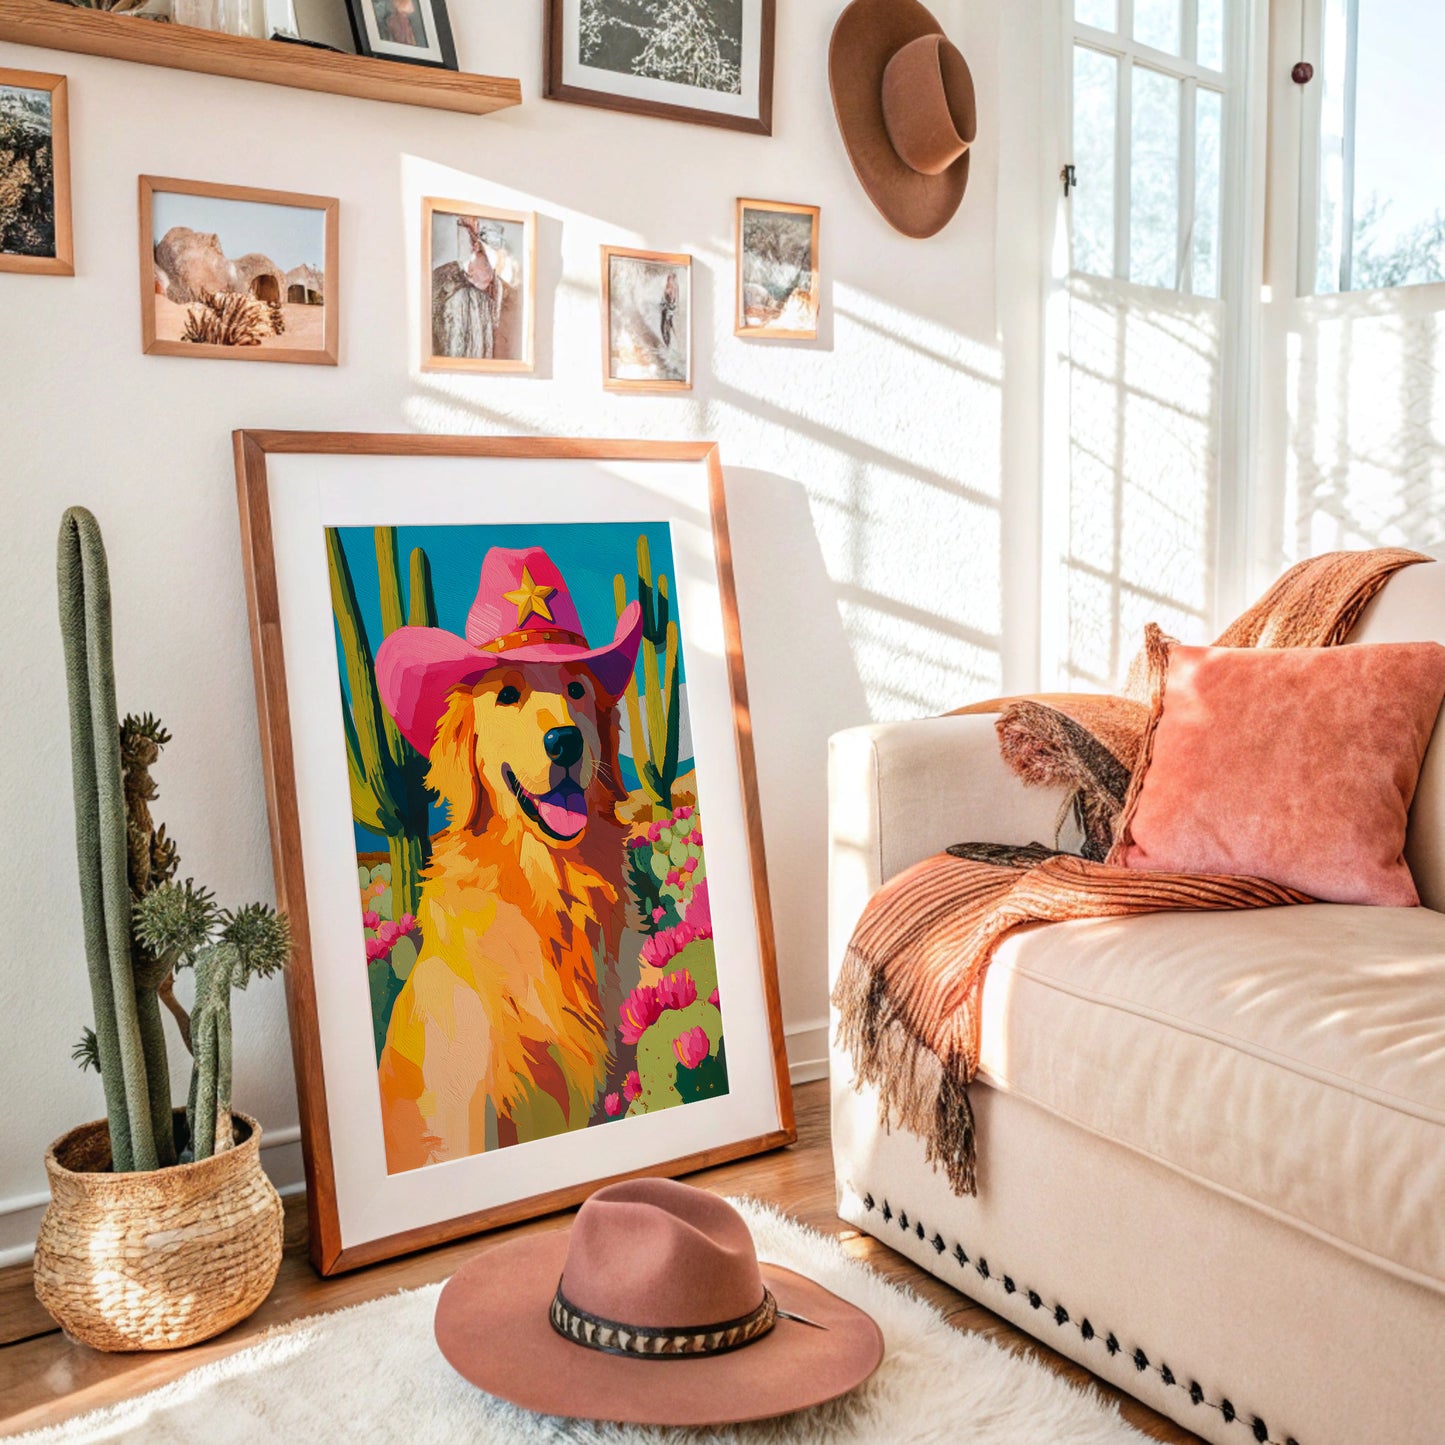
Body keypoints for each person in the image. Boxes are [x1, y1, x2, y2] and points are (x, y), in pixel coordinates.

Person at [660, 272, 678, 349]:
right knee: (662, 325)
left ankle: (668, 344)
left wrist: (669, 305)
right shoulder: (667, 286)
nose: (669, 279)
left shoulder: (673, 288)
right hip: (664, 307)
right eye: (669, 278)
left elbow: (673, 300)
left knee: (668, 326)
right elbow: (663, 297)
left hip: (669, 308)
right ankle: (666, 343)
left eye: (670, 278)